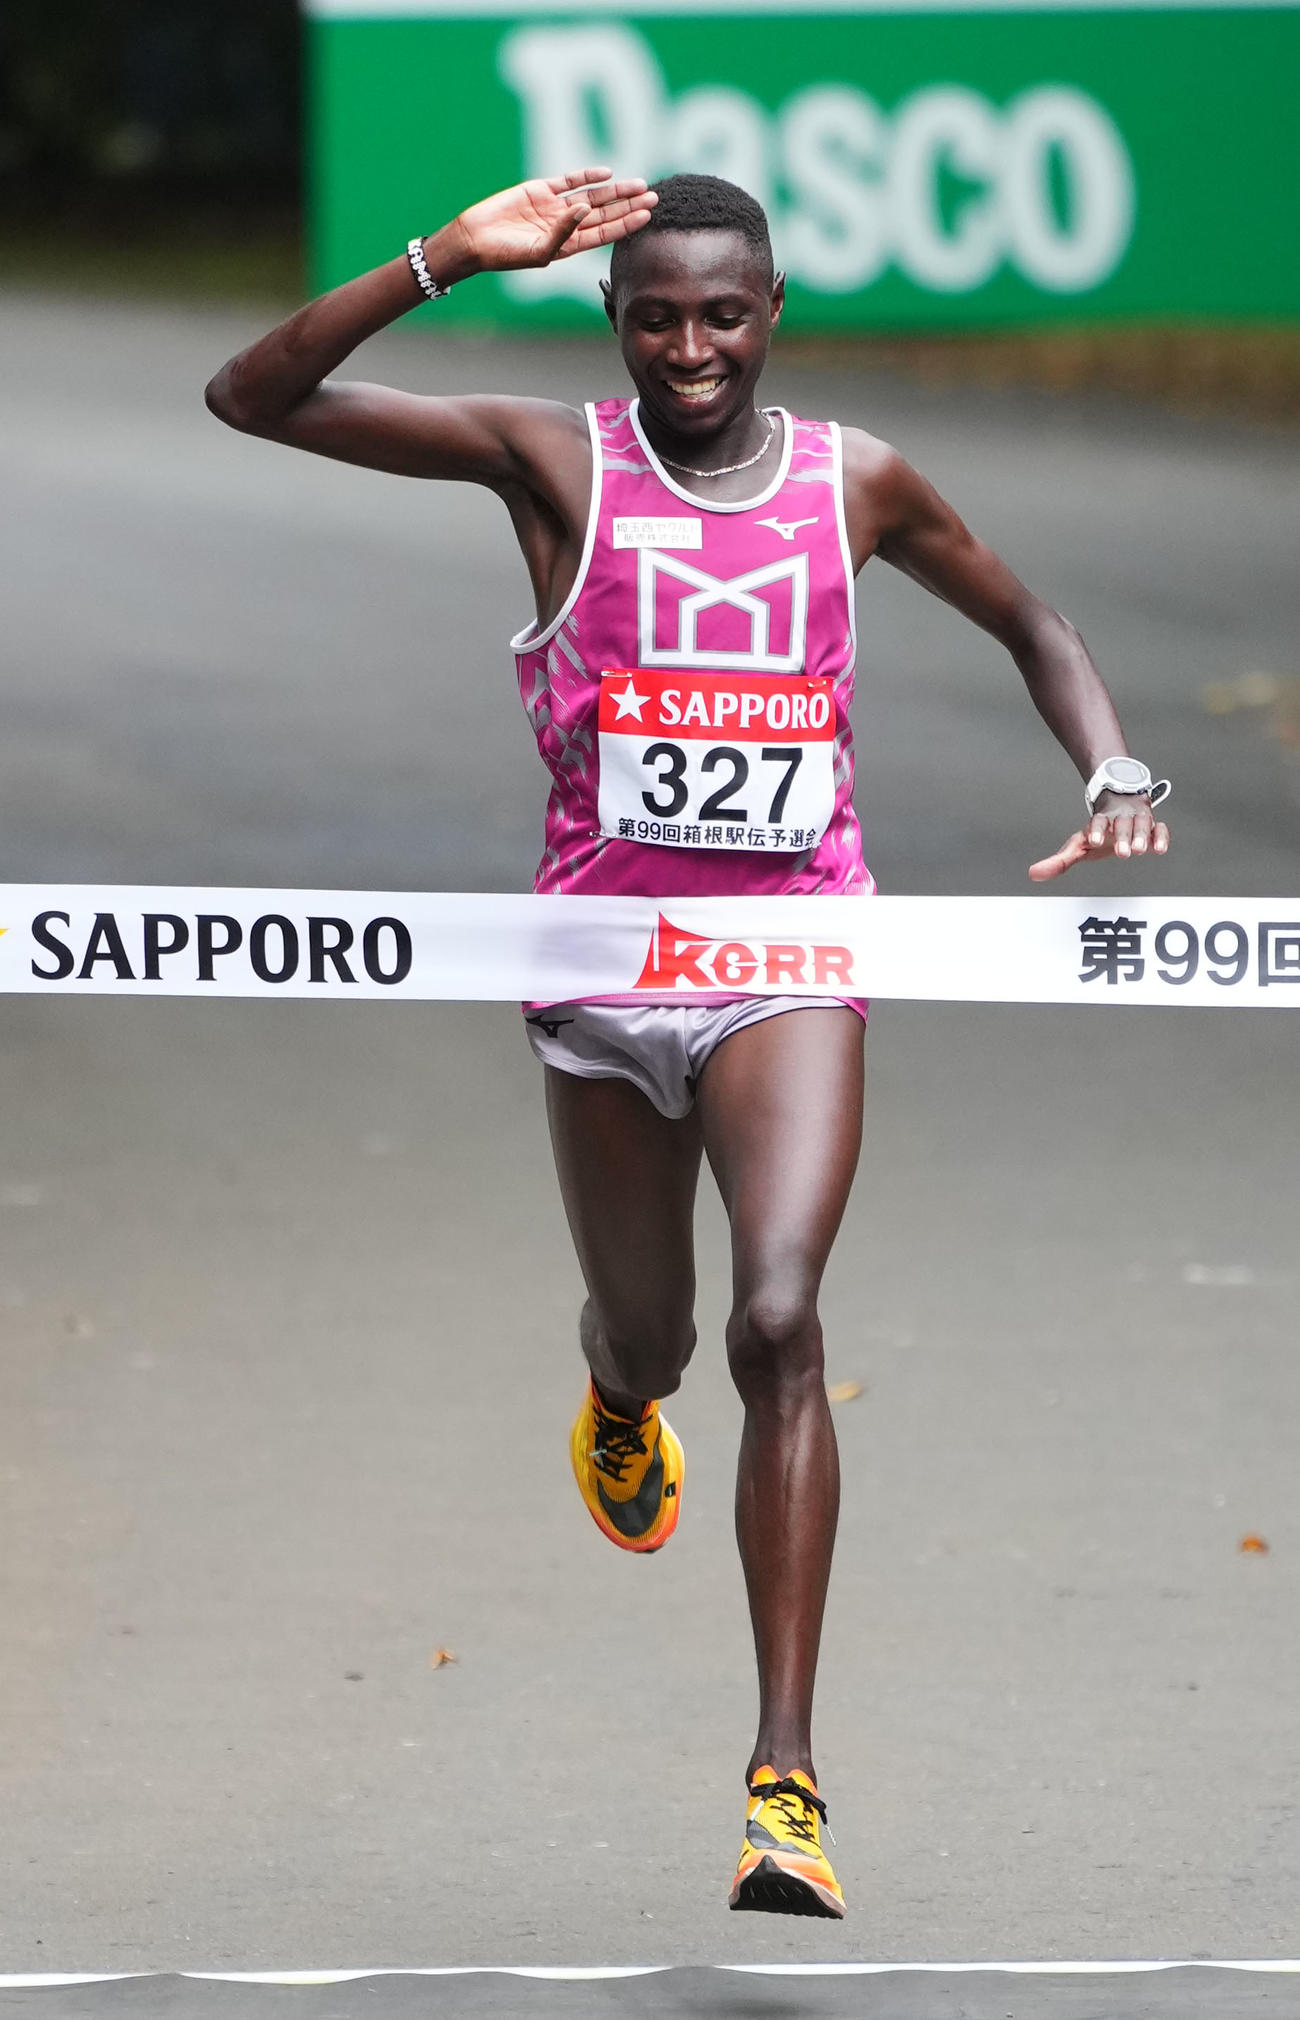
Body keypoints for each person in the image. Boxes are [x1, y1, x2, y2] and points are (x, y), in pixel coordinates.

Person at [205, 166, 1170, 1920]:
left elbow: (1033, 621)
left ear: (775, 310)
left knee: (780, 1321)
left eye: (725, 314)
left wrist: (1112, 766)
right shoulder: (551, 459)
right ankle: (614, 1392)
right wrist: (443, 258)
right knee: (651, 1336)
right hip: (597, 964)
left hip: (792, 955)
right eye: (656, 317)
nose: (692, 348)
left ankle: (783, 1783)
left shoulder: (854, 481)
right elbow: (250, 398)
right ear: (613, 319)